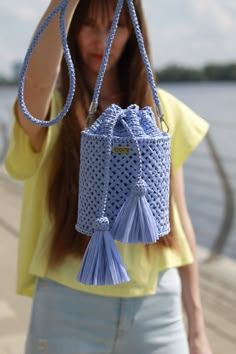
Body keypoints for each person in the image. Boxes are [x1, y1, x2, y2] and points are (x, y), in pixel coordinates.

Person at [5, 0, 213, 353]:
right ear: (73, 28)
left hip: (158, 305)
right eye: (89, 25)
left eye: (114, 25)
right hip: (68, 305)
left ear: (132, 30)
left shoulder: (160, 113)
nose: (102, 40)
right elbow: (36, 86)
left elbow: (179, 221)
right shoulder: (55, 110)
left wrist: (196, 327)